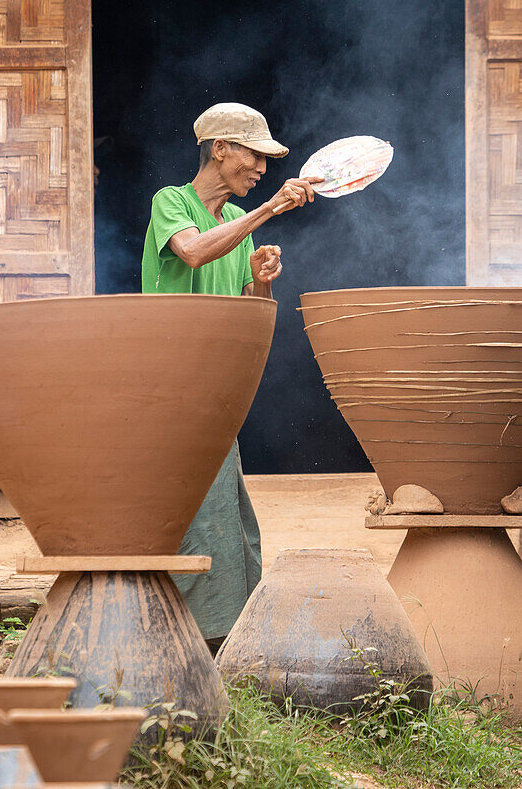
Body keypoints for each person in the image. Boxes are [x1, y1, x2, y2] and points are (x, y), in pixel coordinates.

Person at [141, 102, 321, 652]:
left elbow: (249, 310)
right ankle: (188, 642)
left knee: (231, 518)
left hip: (215, 392)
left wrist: (262, 280)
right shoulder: (172, 202)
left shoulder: (233, 230)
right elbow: (192, 252)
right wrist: (267, 209)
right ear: (219, 149)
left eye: (267, 162)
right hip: (171, 387)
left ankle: (230, 640)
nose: (262, 169)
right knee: (191, 514)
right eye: (254, 155)